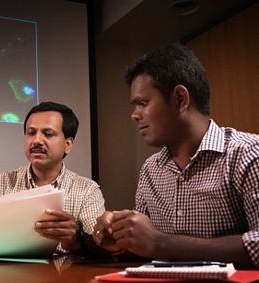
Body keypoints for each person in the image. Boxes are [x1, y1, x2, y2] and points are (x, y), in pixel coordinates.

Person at [93, 43, 259, 268]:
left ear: (180, 99)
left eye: (143, 103)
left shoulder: (248, 154)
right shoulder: (150, 169)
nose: (134, 115)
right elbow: (144, 247)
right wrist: (121, 236)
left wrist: (162, 244)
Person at [0, 101, 106, 254]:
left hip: (65, 275)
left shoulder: (87, 190)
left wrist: (75, 239)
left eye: (48, 134)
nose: (36, 141)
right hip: (6, 274)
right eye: (31, 133)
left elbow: (100, 247)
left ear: (68, 144)